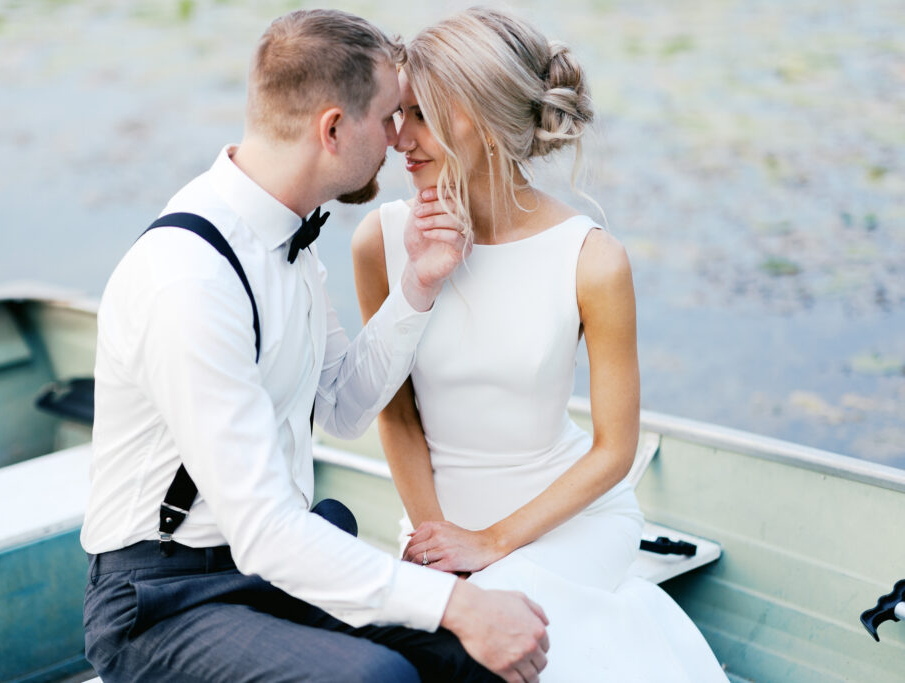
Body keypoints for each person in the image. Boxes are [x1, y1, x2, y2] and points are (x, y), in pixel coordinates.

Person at [80, 9, 550, 683]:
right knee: (375, 678)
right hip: (162, 602)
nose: (399, 140)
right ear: (333, 128)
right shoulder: (188, 280)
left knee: (471, 657)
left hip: (263, 568)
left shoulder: (286, 239)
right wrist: (457, 600)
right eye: (390, 116)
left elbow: (341, 406)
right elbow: (266, 529)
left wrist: (417, 284)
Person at [352, 8, 727, 682]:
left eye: (424, 116)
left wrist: (492, 543)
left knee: (499, 645)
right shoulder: (380, 242)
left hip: (571, 520)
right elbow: (394, 411)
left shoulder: (592, 259)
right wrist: (439, 541)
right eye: (397, 112)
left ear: (487, 120)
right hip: (441, 522)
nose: (399, 139)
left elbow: (615, 449)